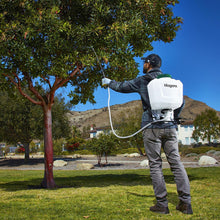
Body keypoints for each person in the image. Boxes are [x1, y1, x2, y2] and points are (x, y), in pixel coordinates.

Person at [102, 54, 193, 215]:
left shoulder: (144, 80)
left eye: (145, 62)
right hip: (170, 127)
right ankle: (185, 204)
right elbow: (181, 102)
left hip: (151, 127)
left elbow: (124, 86)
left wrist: (109, 83)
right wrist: (175, 117)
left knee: (155, 165)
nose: (143, 64)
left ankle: (162, 204)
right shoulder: (170, 82)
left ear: (149, 64)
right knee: (176, 163)